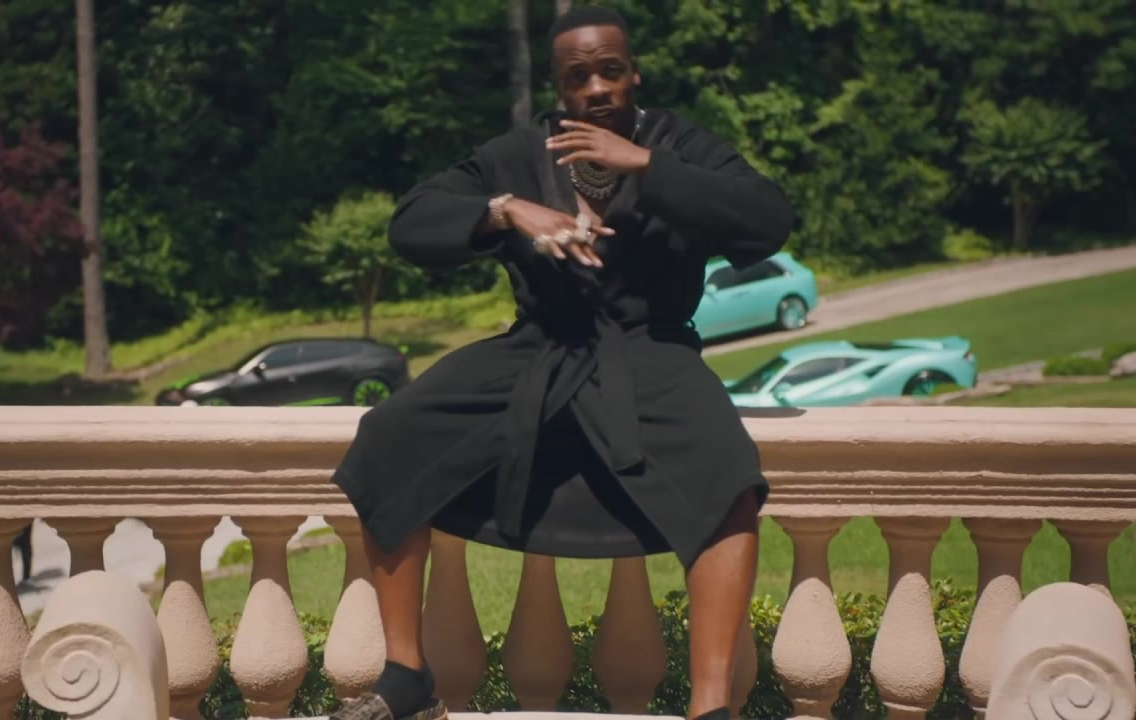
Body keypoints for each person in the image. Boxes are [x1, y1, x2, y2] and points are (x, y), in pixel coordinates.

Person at [329, 7, 793, 720]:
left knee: (728, 472)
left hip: (652, 348)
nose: (597, 87)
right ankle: (406, 678)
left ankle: (710, 706)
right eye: (579, 77)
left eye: (611, 70)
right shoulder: (520, 155)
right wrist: (506, 209)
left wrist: (647, 167)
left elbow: (767, 217)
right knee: (389, 436)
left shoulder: (677, 143)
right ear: (559, 86)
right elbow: (413, 223)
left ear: (634, 74)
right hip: (538, 347)